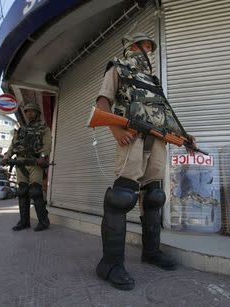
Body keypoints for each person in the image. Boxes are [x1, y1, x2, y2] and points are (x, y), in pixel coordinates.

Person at [95, 32, 197, 290]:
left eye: (150, 47)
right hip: (133, 138)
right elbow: (103, 101)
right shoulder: (117, 68)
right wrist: (116, 130)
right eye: (144, 46)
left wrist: (185, 137)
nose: (147, 51)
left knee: (154, 197)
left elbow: (164, 114)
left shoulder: (153, 80)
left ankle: (150, 252)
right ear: (131, 46)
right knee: (121, 198)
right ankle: (110, 264)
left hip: (159, 141)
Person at [2, 102, 52, 232]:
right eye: (27, 111)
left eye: (32, 111)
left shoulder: (44, 128)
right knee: (22, 192)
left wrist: (42, 156)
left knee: (35, 192)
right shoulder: (21, 130)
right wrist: (7, 156)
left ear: (37, 113)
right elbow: (13, 146)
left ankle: (43, 221)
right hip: (20, 163)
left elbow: (47, 145)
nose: (29, 113)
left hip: (34, 163)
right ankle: (24, 222)